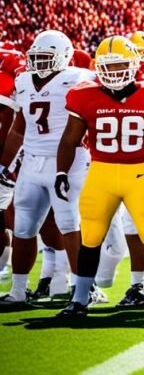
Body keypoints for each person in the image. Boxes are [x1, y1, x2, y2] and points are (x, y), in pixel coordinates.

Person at [58, 36, 144, 317]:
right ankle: (79, 299)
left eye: (121, 66)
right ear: (98, 68)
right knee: (90, 236)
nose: (114, 73)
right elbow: (69, 140)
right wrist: (61, 171)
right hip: (100, 173)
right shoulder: (84, 94)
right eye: (109, 67)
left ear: (135, 64)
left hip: (138, 173)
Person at [0, 31, 95, 305]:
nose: (40, 63)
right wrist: (5, 165)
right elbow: (19, 130)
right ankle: (19, 290)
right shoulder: (24, 81)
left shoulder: (78, 79)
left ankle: (82, 290)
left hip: (67, 161)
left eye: (46, 58)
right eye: (37, 57)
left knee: (69, 224)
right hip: (32, 162)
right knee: (23, 227)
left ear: (64, 57)